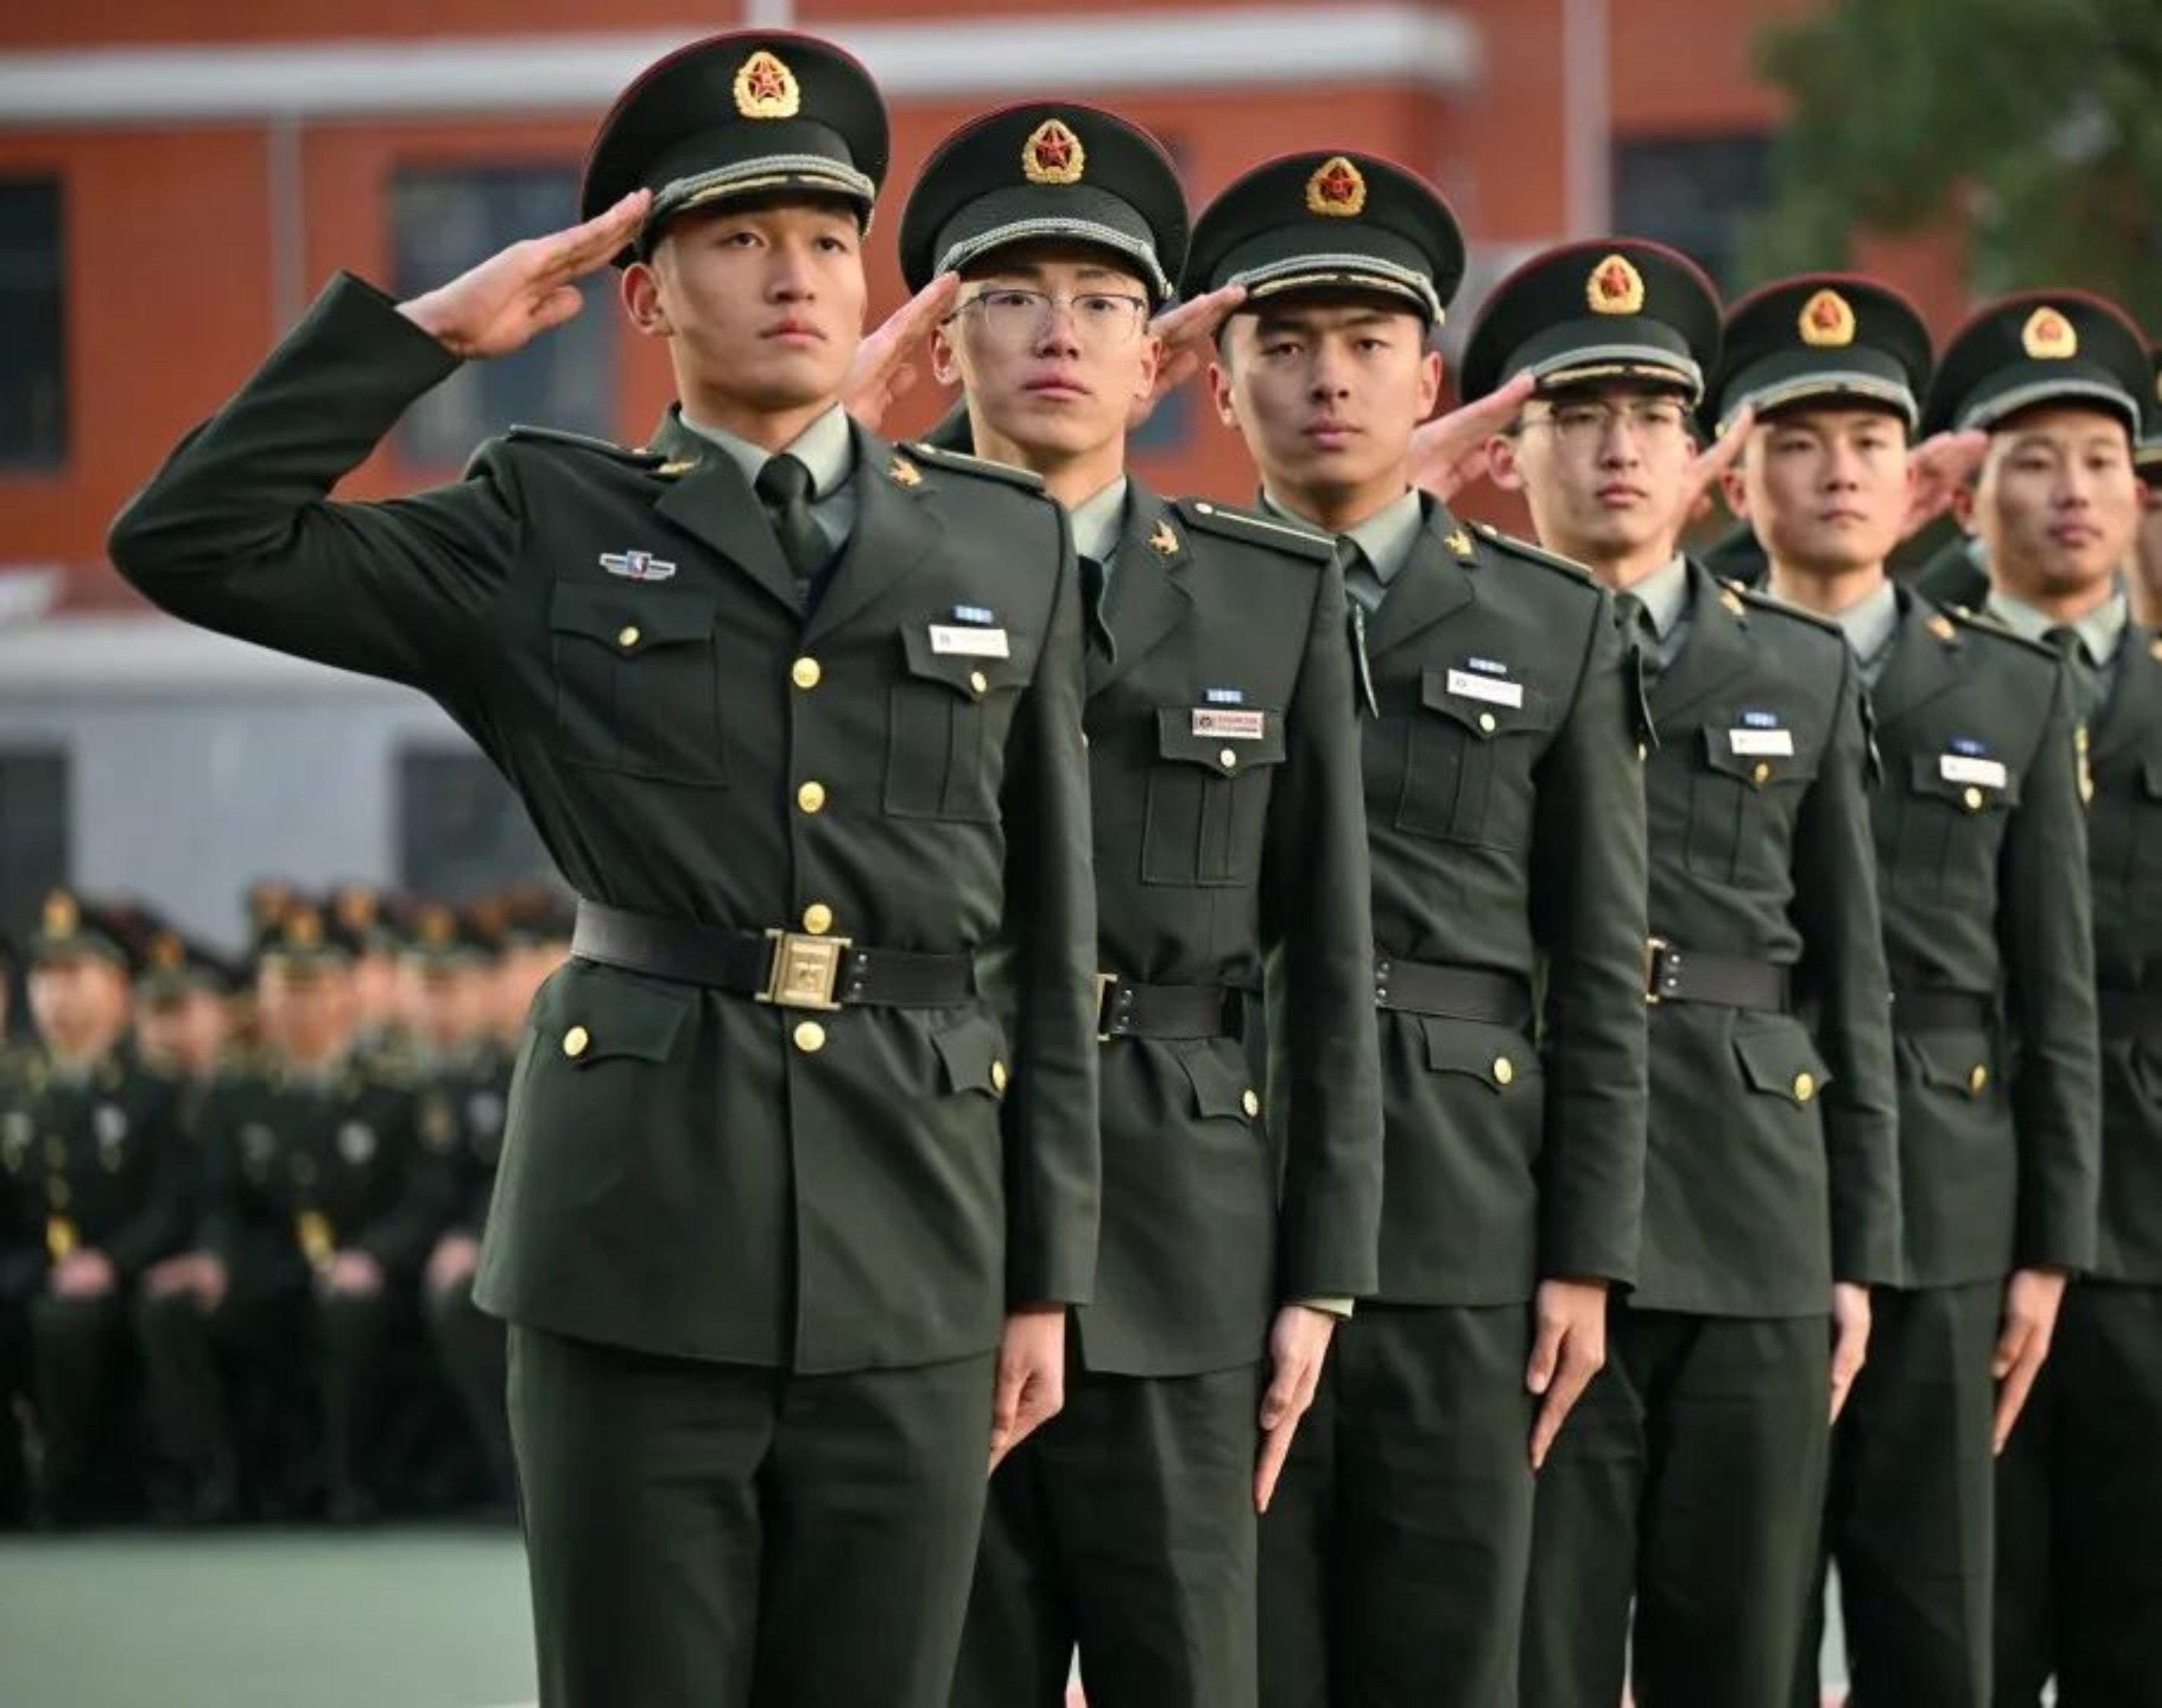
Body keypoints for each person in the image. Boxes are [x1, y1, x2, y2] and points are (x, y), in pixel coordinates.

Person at [108, 29, 1098, 1707]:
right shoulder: (542, 524)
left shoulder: (1002, 539)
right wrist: (428, 335)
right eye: (739, 237)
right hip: (634, 1245)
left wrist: (1046, 1278)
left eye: (826, 238)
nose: (793, 274)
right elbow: (191, 537)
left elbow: (1049, 944)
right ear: (644, 298)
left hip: (918, 1245)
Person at [867, 104, 1383, 1708]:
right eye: (1012, 296)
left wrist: (1319, 1272)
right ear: (943, 339)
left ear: (1155, 359)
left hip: (1181, 1230)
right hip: (921, 1202)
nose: (1057, 333)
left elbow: (1327, 955)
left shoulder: (1266, 593)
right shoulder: (856, 567)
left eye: (1100, 301)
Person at [1186, 153, 1650, 1708]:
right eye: (1285, 344)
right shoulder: (1165, 597)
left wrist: (1582, 1256)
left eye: (1367, 343)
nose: (1328, 378)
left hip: (1464, 1223)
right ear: (1219, 382)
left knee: (1450, 1659)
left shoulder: (1550, 622)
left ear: (1428, 379)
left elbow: (1596, 968)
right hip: (1216, 1199)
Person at [1457, 238, 1900, 1708]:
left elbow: (1846, 976)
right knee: (1543, 1648)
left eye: (1650, 416)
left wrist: (1854, 1248)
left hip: (1752, 1203)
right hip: (1520, 1197)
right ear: (1507, 448)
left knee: (1743, 1643)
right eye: (1576, 416)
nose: (1616, 449)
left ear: (1701, 450)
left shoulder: (1795, 665)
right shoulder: (1451, 643)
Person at [1712, 274, 2100, 1708]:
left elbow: (2053, 994)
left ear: (1917, 476)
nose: (1836, 472)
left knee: (1933, 1614)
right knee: (1738, 1612)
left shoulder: (2008, 689)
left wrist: (2047, 1244)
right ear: (1735, 471)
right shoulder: (1676, 665)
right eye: (1798, 442)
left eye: (1868, 442)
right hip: (1735, 1174)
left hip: (1950, 1193)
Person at [1918, 290, 2160, 1706]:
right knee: (1964, 1629)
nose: (2072, 490)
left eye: (2098, 460)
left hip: (2147, 1220)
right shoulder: (1894, 684)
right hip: (1958, 1199)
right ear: (1964, 492)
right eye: (2032, 458)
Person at [136, 902, 452, 1523]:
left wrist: (374, 1255)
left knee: (350, 1307)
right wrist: (215, 1258)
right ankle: (217, 1479)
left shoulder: (396, 1086)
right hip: (271, 1262)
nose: (297, 1002)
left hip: (370, 1263)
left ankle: (348, 1478)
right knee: (170, 1305)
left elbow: (426, 1197)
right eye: (283, 985)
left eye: (313, 985)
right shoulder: (238, 1089)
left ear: (345, 992)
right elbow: (221, 1196)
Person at [0, 892, 193, 1525]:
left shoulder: (155, 1086)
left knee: (67, 1318)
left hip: (122, 1267)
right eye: (44, 975)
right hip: (31, 1263)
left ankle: (74, 1483)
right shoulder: (14, 1085)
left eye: (74, 974)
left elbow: (174, 1203)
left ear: (116, 985)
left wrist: (111, 1260)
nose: (56, 993)